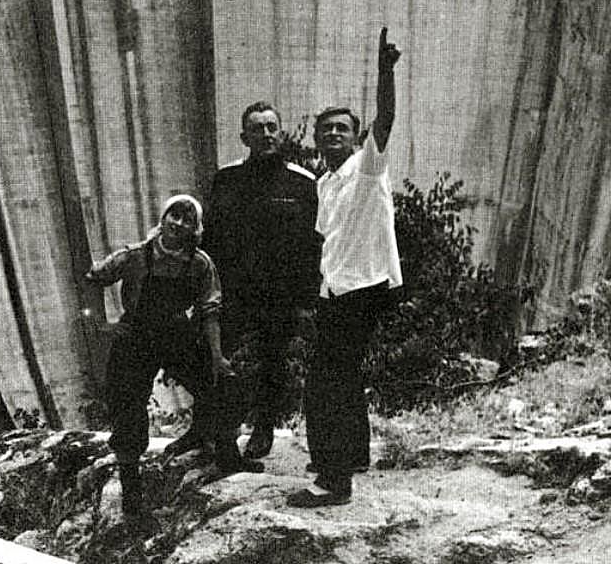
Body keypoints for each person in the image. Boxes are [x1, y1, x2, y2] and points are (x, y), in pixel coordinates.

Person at [84, 195, 260, 517]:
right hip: (136, 336)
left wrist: (216, 356)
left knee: (220, 384)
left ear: (196, 228)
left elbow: (210, 310)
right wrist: (100, 324)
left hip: (176, 332)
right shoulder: (135, 255)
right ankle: (132, 494)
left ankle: (226, 454)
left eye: (187, 219)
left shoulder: (199, 263)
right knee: (127, 406)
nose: (179, 223)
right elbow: (94, 278)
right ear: (163, 218)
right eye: (174, 216)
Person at [287, 28, 403, 507]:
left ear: (356, 137)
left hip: (365, 286)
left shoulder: (367, 167)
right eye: (326, 130)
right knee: (344, 373)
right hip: (336, 290)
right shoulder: (325, 183)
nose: (334, 134)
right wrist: (315, 294)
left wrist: (384, 72)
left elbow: (386, 118)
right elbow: (327, 241)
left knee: (325, 382)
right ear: (317, 140)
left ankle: (332, 482)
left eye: (342, 129)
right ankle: (352, 456)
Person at [201, 101, 321, 461]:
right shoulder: (227, 179)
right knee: (219, 357)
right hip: (234, 289)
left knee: (273, 361)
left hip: (279, 292)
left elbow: (312, 244)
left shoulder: (302, 182)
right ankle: (214, 430)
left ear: (280, 133)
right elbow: (212, 237)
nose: (266, 134)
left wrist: (306, 298)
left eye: (271, 127)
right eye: (257, 128)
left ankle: (263, 427)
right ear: (245, 137)